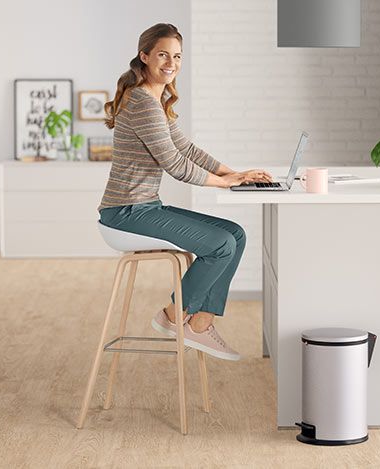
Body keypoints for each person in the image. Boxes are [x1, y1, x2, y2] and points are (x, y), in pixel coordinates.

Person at [98, 23, 271, 361]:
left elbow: (186, 148)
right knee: (221, 245)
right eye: (163, 54)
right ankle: (173, 317)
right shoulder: (142, 103)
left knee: (234, 233)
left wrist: (233, 173)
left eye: (177, 56)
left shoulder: (156, 98)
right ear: (145, 56)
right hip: (125, 213)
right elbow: (174, 164)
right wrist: (225, 182)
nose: (171, 62)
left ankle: (200, 324)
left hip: (146, 206)